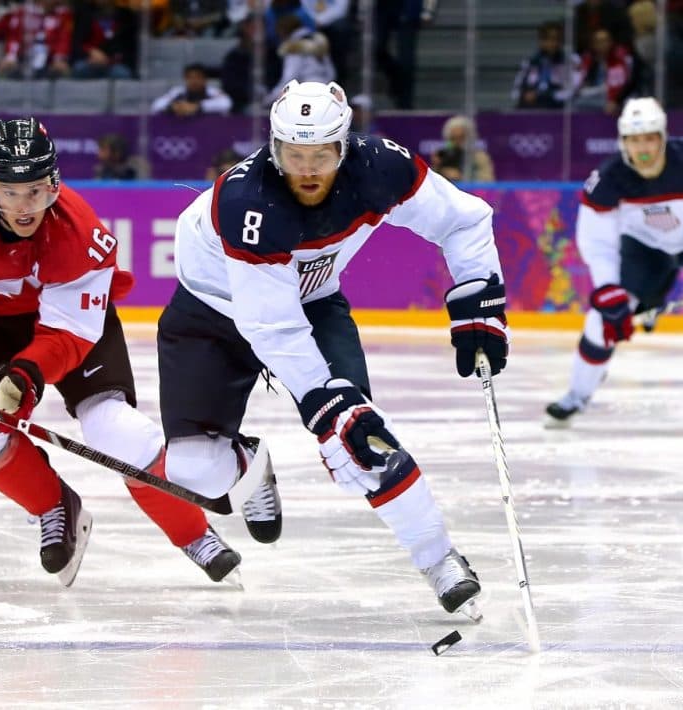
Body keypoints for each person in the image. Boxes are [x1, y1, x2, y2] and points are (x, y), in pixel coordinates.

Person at [0, 117, 250, 586]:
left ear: (55, 182)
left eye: (36, 190)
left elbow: (69, 334)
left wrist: (24, 376)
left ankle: (193, 532)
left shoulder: (82, 235)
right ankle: (55, 506)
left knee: (116, 431)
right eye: (9, 191)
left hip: (65, 332)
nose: (23, 207)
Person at [158, 79, 509, 618]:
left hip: (312, 303)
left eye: (321, 155)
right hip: (211, 314)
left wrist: (478, 299)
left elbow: (463, 221)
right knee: (193, 470)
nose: (307, 168)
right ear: (273, 148)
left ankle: (441, 562)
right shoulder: (248, 200)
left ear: (344, 147)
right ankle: (248, 463)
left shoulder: (381, 168)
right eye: (293, 154)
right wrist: (326, 402)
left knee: (360, 439)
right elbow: (270, 325)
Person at [546, 97, 681, 428]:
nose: (644, 149)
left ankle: (653, 304)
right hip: (645, 251)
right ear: (623, 143)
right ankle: (576, 396)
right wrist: (608, 290)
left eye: (650, 138)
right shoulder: (608, 179)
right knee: (601, 322)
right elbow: (597, 240)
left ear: (663, 137)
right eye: (635, 141)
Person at [430, 115, 495, 184]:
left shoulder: (480, 157)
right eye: (453, 138)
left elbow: (488, 181)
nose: (457, 142)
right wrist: (437, 168)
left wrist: (461, 176)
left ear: (470, 137)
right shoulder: (443, 155)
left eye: (461, 137)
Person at [150, 63, 232, 117]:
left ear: (205, 79)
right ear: (185, 79)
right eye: (190, 78)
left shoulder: (213, 92)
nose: (194, 81)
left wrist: (197, 107)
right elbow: (156, 105)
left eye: (198, 77)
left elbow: (226, 103)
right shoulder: (178, 91)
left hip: (211, 129)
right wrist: (172, 107)